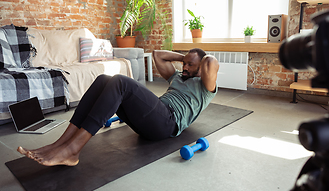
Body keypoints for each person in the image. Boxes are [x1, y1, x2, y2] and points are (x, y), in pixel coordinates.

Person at [17, 48, 219, 166]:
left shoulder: (205, 87)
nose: (184, 67)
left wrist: (198, 62)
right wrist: (185, 57)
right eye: (184, 63)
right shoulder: (177, 76)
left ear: (201, 68)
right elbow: (158, 54)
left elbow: (210, 61)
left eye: (190, 65)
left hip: (167, 123)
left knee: (121, 82)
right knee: (103, 79)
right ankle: (60, 144)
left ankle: (73, 150)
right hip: (153, 117)